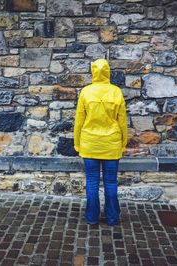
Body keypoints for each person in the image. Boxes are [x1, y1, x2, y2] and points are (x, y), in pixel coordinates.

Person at [73, 58, 128, 226]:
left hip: (90, 143)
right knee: (111, 181)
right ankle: (112, 217)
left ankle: (91, 217)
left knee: (92, 181)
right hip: (111, 144)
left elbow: (79, 121)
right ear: (108, 71)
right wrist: (123, 143)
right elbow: (123, 122)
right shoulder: (116, 92)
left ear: (93, 72)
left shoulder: (86, 92)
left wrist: (77, 143)